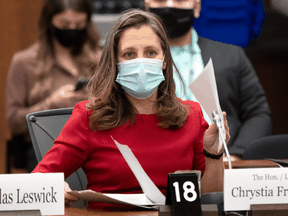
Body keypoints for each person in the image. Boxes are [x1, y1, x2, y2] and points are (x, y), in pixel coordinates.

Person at [32, 9, 230, 210]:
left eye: (150, 52)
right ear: (116, 63)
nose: (141, 62)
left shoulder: (192, 116)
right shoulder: (89, 117)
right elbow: (40, 180)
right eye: (129, 54)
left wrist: (214, 155)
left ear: (164, 61)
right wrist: (55, 187)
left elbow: (210, 198)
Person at [145, 0, 272, 160]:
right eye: (161, 0)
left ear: (196, 7)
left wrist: (235, 155)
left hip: (223, 161)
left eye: (180, 0)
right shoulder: (134, 63)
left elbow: (258, 113)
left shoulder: (231, 56)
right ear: (147, 6)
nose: (170, 6)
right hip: (156, 162)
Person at [5, 0, 101, 172]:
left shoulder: (99, 59)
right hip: (44, 147)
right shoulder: (24, 62)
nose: (72, 29)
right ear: (50, 22)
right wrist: (50, 103)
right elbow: (13, 120)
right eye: (64, 24)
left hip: (94, 145)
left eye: (79, 24)